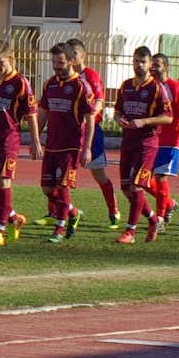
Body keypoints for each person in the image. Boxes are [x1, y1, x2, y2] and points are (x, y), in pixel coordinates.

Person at [0, 39, 41, 246]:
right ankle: (13, 218)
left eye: (0, 62)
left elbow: (31, 115)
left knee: (3, 182)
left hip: (8, 140)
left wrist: (35, 141)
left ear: (10, 58)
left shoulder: (20, 83)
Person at [113, 46, 173, 244]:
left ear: (149, 64)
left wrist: (144, 121)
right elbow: (117, 112)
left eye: (143, 62)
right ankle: (154, 220)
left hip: (147, 143)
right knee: (126, 189)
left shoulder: (157, 88)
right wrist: (119, 119)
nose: (139, 65)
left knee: (136, 186)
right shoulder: (126, 86)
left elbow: (168, 117)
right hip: (128, 141)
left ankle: (130, 232)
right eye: (136, 61)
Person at [40, 43, 96, 244]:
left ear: (72, 61)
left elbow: (90, 119)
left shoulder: (81, 86)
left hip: (71, 146)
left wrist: (86, 148)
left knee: (62, 186)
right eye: (54, 62)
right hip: (51, 145)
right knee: (47, 189)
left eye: (60, 62)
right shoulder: (49, 84)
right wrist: (35, 138)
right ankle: (73, 212)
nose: (56, 66)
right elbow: (43, 113)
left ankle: (59, 229)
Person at [66, 38, 121, 228]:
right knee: (61, 173)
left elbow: (99, 101)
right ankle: (58, 211)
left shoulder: (91, 76)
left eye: (74, 53)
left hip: (90, 131)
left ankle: (113, 210)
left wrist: (87, 117)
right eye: (68, 53)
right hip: (69, 131)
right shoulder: (64, 76)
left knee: (99, 174)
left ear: (83, 55)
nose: (71, 56)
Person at [148, 53, 179, 228]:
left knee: (160, 177)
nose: (153, 68)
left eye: (157, 65)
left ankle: (159, 218)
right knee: (140, 179)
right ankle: (170, 203)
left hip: (169, 141)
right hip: (150, 140)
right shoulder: (149, 86)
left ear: (166, 68)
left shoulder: (174, 88)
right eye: (152, 65)